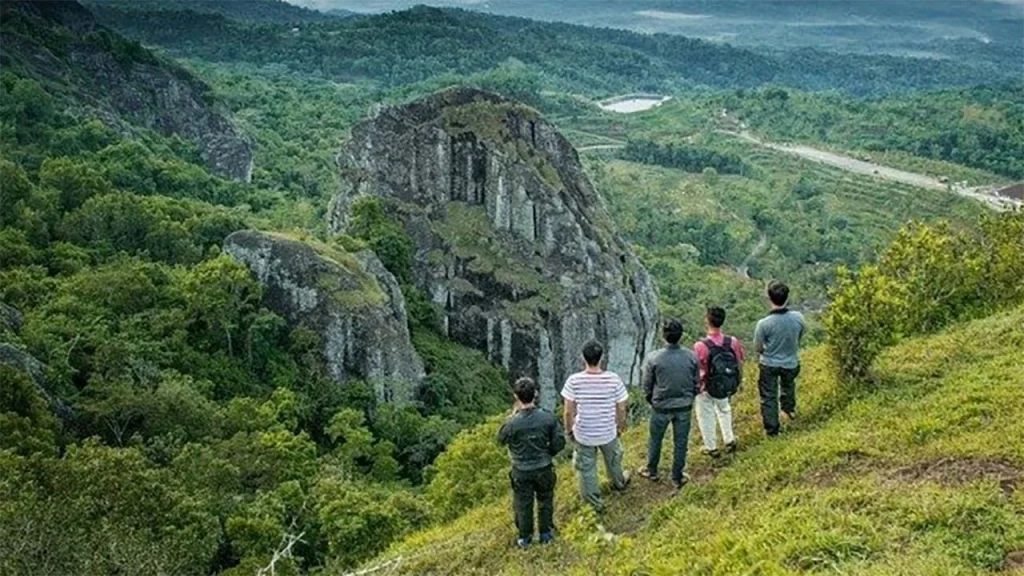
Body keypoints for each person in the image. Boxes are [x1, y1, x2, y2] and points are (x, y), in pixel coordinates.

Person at [561, 340, 630, 513]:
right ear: (602, 358)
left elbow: (568, 411)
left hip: (584, 433)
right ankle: (619, 482)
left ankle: (594, 503)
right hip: (608, 431)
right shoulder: (613, 379)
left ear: (583, 358)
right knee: (614, 458)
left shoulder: (574, 381)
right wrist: (620, 426)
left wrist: (569, 431)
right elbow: (622, 406)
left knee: (587, 468)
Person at [498, 377, 565, 549]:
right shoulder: (548, 418)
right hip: (544, 467)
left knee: (523, 503)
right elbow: (559, 442)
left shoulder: (511, 423)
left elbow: (501, 439)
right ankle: (546, 534)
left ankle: (525, 539)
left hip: (521, 469)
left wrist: (514, 414)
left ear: (516, 397)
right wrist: (548, 453)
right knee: (545, 499)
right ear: (535, 394)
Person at [638, 318, 700, 492]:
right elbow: (696, 383)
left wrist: (652, 400)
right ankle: (677, 475)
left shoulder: (653, 358)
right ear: (681, 336)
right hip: (684, 406)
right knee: (681, 442)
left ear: (663, 336)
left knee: (655, 439)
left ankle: (651, 470)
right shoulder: (691, 356)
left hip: (661, 406)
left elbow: (647, 386)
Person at [753, 281, 806, 437]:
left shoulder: (763, 324)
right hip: (790, 361)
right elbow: (800, 335)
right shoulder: (798, 318)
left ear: (769, 299)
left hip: (769, 363)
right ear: (787, 298)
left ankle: (772, 428)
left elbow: (758, 347)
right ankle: (789, 410)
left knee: (768, 396)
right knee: (788, 386)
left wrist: (767, 351)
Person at [694, 306, 745, 458]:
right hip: (725, 383)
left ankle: (711, 447)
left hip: (706, 387)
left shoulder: (700, 346)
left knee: (706, 415)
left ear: (707, 321)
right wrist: (739, 381)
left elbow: (697, 369)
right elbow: (739, 362)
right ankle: (729, 439)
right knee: (724, 409)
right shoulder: (732, 342)